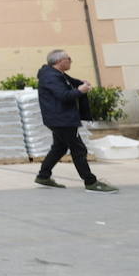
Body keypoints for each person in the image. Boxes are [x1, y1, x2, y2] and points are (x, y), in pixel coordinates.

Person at [35, 50, 117, 192]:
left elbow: (71, 82)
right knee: (79, 149)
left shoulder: (57, 74)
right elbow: (63, 95)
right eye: (69, 58)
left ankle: (43, 176)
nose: (71, 61)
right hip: (62, 120)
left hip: (59, 119)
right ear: (60, 61)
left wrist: (81, 84)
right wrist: (80, 91)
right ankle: (91, 182)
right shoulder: (51, 77)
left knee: (59, 147)